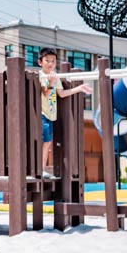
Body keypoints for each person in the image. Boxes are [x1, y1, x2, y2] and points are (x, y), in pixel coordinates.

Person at [38, 47, 92, 178]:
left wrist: (78, 88)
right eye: (47, 61)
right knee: (44, 142)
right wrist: (51, 83)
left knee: (48, 142)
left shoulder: (55, 78)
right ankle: (40, 169)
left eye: (53, 61)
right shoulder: (40, 76)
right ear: (40, 62)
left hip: (51, 115)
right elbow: (45, 93)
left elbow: (61, 94)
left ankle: (42, 168)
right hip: (42, 114)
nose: (50, 63)